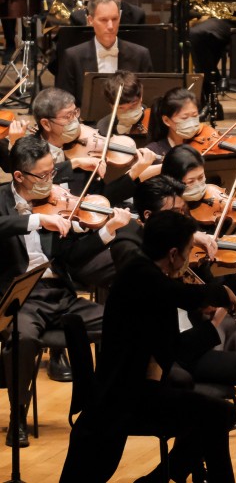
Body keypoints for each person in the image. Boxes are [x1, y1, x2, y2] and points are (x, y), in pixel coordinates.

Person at [127, 176, 236, 483]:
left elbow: (209, 288)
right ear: (150, 216)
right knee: (204, 402)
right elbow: (178, 325)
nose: (185, 220)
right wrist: (216, 315)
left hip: (191, 347)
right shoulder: (139, 259)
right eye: (176, 213)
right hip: (163, 360)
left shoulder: (183, 248)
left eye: (184, 212)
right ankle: (175, 473)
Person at [59, 210, 236, 482]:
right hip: (123, 398)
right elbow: (179, 305)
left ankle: (159, 478)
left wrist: (212, 317)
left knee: (218, 413)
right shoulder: (143, 277)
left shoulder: (142, 271)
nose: (190, 257)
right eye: (189, 250)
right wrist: (219, 298)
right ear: (172, 254)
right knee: (218, 414)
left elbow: (171, 341)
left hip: (132, 390)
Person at [1, 136, 132, 447]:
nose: (52, 181)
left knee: (123, 321)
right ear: (19, 176)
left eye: (52, 173)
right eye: (43, 176)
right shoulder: (2, 200)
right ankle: (18, 413)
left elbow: (72, 258)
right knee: (23, 338)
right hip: (21, 298)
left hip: (60, 293)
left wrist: (106, 232)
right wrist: (35, 220)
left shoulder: (58, 201)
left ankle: (109, 403)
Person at [54, 0, 154, 105]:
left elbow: (147, 101)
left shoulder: (140, 55)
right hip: (87, 123)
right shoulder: (72, 57)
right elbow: (64, 104)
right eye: (103, 20)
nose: (110, 26)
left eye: (114, 19)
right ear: (90, 20)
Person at [145, 86, 202, 157]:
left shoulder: (202, 145)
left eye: (194, 115)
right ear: (167, 121)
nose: (191, 122)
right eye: (184, 118)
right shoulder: (153, 152)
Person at [95, 69, 151, 138]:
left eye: (133, 105)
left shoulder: (154, 120)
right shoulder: (103, 127)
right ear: (111, 106)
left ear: (141, 97)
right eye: (121, 108)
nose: (128, 112)